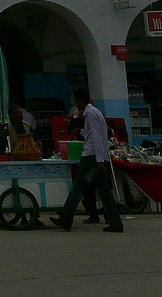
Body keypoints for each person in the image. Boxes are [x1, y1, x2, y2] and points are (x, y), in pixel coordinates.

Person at [52, 88, 122, 233]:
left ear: (79, 100)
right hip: (98, 156)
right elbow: (95, 135)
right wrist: (81, 131)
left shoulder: (89, 113)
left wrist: (98, 160)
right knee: (105, 191)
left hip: (91, 156)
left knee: (78, 188)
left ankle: (65, 218)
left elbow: (96, 137)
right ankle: (116, 222)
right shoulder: (95, 112)